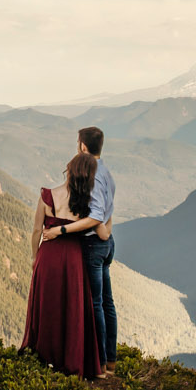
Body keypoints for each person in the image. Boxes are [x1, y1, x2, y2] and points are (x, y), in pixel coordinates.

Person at [21, 150, 104, 379]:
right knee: (72, 307)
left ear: (68, 170)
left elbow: (37, 230)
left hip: (48, 257)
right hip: (74, 259)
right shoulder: (88, 204)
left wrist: (35, 257)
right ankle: (72, 361)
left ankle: (44, 358)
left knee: (47, 305)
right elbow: (102, 232)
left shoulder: (48, 196)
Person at [63, 127, 116, 373]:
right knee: (107, 303)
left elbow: (95, 215)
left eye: (78, 143)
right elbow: (108, 207)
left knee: (95, 304)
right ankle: (111, 360)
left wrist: (63, 231)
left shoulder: (91, 174)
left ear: (83, 147)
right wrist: (107, 227)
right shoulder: (106, 172)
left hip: (94, 245)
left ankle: (101, 363)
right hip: (106, 243)